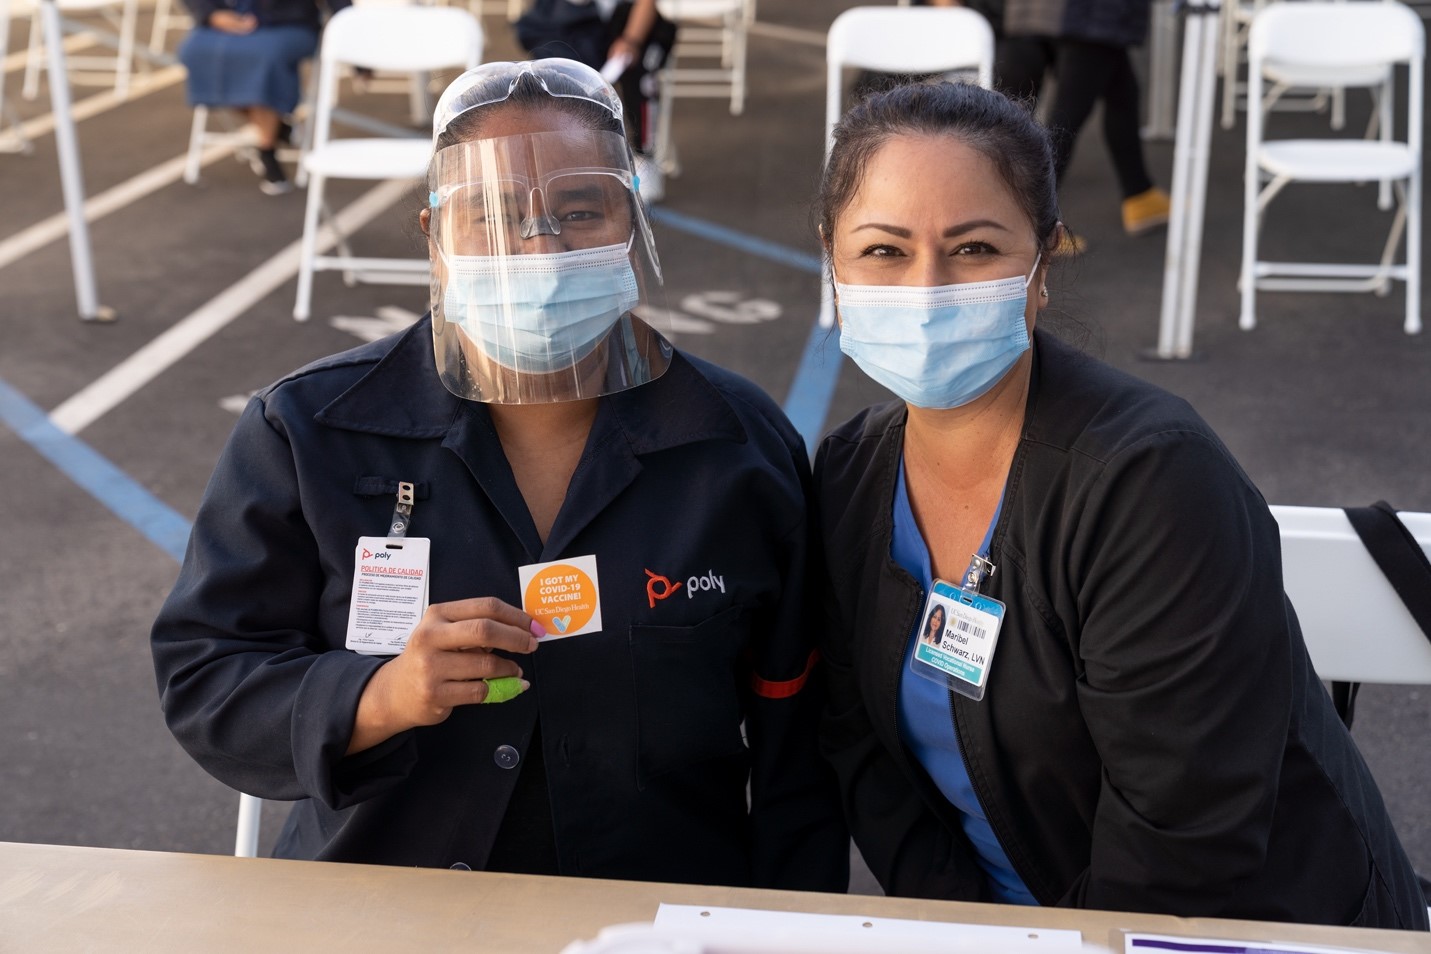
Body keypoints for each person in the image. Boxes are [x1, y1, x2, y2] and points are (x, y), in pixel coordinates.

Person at [151, 59, 848, 890]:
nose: (538, 246)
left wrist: (788, 921)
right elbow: (208, 675)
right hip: (383, 909)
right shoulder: (308, 432)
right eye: (489, 215)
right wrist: (377, 696)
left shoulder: (736, 446)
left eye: (579, 209)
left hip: (656, 916)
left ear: (631, 220)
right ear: (434, 240)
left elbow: (796, 730)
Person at [813, 80, 1427, 927]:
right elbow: (860, 756)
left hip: (1236, 932)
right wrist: (973, 931)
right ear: (832, 266)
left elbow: (1183, 851)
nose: (926, 289)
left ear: (1040, 269)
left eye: (975, 248)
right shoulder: (848, 479)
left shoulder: (1149, 483)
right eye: (884, 251)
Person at [998, 0, 1170, 239]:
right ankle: (1033, 227)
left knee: (1122, 92)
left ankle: (1140, 192)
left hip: (1029, 11)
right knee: (1063, 123)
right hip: (1092, 14)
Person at [177, 0, 344, 194]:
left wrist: (356, 45)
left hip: (286, 23)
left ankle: (266, 149)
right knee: (194, 52)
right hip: (226, 20)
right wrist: (212, 15)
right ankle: (279, 128)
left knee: (262, 58)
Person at [515, 0, 676, 199]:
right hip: (583, 21)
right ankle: (574, 155)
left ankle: (644, 155)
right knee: (561, 71)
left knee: (639, 74)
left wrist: (631, 39)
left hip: (634, 21)